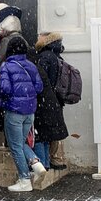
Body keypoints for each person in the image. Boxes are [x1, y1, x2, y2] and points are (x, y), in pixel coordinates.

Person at [0, 36, 46, 192]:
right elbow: (39, 88)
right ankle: (37, 165)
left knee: (16, 146)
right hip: (29, 111)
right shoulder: (31, 65)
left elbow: (4, 89)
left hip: (14, 111)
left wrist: (2, 99)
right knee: (21, 142)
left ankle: (24, 179)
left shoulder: (6, 66)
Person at [35, 32, 70, 169]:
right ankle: (53, 158)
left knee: (45, 132)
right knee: (54, 129)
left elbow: (42, 79)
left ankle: (48, 160)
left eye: (39, 37)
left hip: (47, 98)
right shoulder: (57, 55)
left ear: (45, 40)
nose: (37, 39)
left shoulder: (45, 56)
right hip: (57, 98)